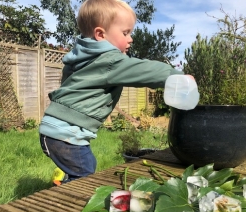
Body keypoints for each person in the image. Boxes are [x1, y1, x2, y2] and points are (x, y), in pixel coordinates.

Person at [39, 0, 192, 184]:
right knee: (85, 177)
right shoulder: (109, 60)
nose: (130, 38)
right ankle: (62, 205)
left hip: (55, 130)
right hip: (66, 134)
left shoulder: (81, 57)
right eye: (125, 32)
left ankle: (64, 180)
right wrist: (176, 77)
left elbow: (67, 83)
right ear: (100, 34)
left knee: (84, 166)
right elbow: (143, 70)